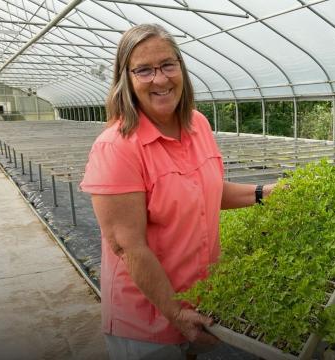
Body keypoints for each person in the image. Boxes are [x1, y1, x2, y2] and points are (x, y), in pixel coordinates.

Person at [80, 23, 275, 360]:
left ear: (181, 68)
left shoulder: (197, 124)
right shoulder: (116, 147)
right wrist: (175, 313)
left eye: (168, 65)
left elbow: (206, 192)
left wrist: (263, 193)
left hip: (204, 303)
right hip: (149, 324)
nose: (160, 78)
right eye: (144, 70)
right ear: (126, 78)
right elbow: (128, 246)